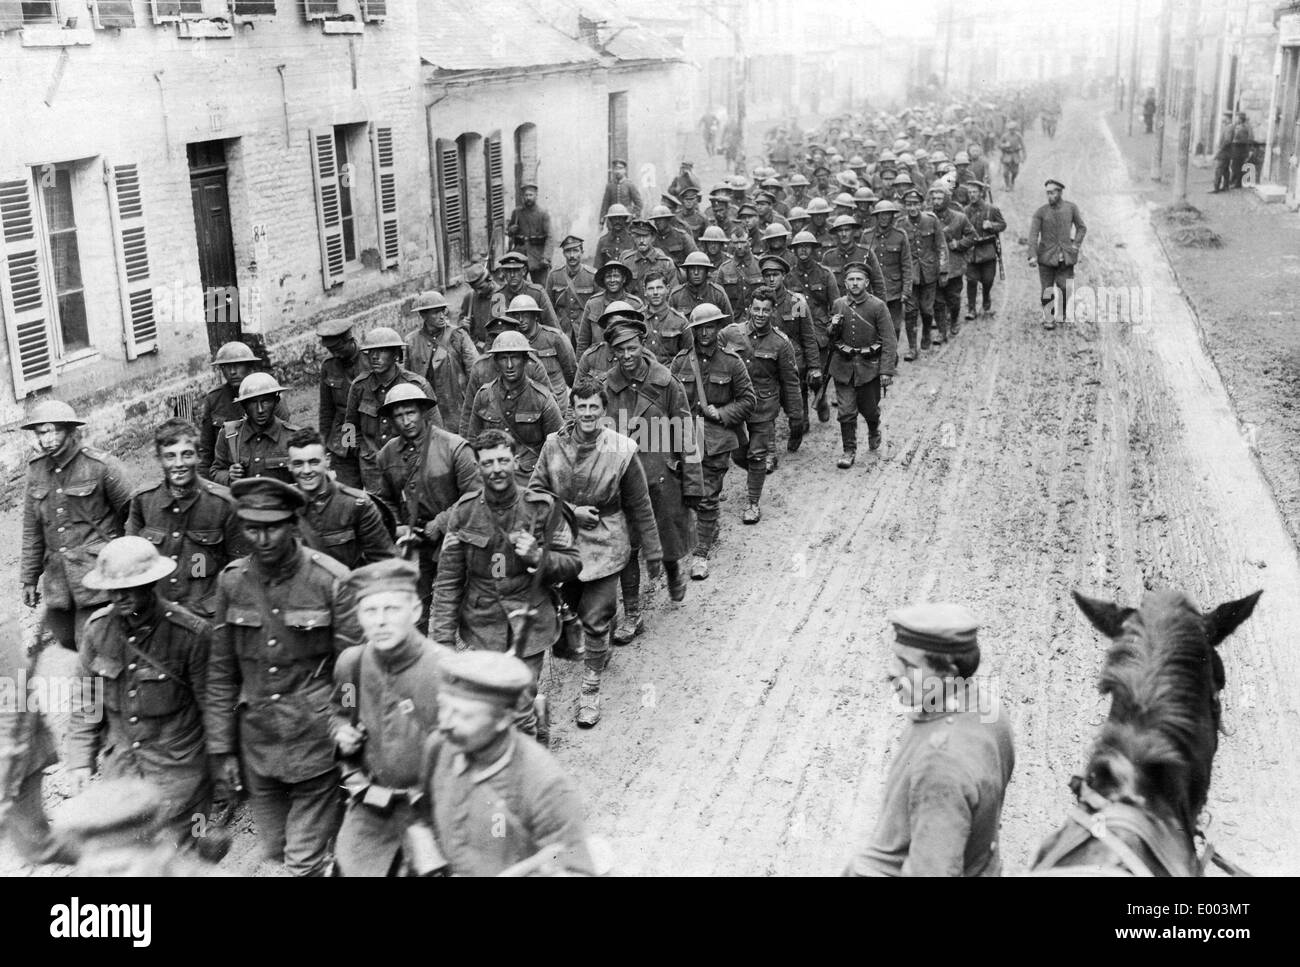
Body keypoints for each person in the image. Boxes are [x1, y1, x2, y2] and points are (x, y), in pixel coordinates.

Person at [206, 477, 362, 876]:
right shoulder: (232, 582)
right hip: (258, 742)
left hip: (315, 740)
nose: (262, 538)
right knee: (275, 847)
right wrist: (222, 749)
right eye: (252, 528)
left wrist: (344, 726)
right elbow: (222, 671)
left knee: (300, 861)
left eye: (272, 526)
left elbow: (352, 670)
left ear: (293, 523)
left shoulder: (331, 580)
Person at [843, 603, 1015, 877]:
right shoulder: (988, 709)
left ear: (948, 673)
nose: (891, 671)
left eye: (909, 666)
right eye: (895, 657)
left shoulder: (941, 762)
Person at [530, 378, 663, 727]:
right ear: (571, 409)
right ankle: (600, 635)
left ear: (604, 411)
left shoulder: (621, 449)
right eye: (581, 407)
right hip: (565, 542)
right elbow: (535, 492)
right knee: (570, 609)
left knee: (596, 615)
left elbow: (640, 504)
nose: (587, 414)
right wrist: (570, 510)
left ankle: (590, 690)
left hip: (607, 539)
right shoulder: (552, 446)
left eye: (594, 407)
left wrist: (653, 550)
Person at [432, 429, 582, 737]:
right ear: (477, 466)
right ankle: (534, 715)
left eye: (503, 460)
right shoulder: (463, 513)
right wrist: (443, 643)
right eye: (488, 463)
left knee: (518, 708)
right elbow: (447, 582)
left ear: (515, 461)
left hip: (529, 621)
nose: (496, 468)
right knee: (492, 706)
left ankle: (527, 765)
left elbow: (572, 563)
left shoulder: (541, 507)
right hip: (482, 625)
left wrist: (538, 556)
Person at [69, 537, 213, 847]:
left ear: (151, 584)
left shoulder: (190, 634)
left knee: (190, 854)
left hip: (179, 772)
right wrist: (81, 759)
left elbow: (213, 708)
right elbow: (88, 701)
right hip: (123, 772)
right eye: (112, 588)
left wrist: (221, 766)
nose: (119, 596)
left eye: (129, 587)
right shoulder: (97, 630)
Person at [414, 650, 597, 876]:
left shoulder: (546, 784)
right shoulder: (440, 746)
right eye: (444, 709)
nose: (445, 724)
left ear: (503, 719)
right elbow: (421, 818)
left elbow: (577, 868)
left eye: (464, 715)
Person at [330, 558, 451, 876]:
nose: (380, 621)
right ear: (358, 616)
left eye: (391, 609)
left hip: (433, 812)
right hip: (373, 807)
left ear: (415, 611)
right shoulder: (352, 664)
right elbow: (342, 712)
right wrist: (342, 733)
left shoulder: (447, 670)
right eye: (370, 611)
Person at [602, 316, 702, 644]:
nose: (627, 354)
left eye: (632, 347)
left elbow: (686, 433)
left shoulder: (666, 382)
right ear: (612, 351)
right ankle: (632, 614)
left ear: (643, 344)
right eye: (620, 349)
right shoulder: (608, 386)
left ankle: (674, 571)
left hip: (663, 476)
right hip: (624, 480)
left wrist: (693, 485)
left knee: (668, 539)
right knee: (627, 547)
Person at [21, 400, 131, 651]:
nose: (47, 439)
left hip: (95, 577)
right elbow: (32, 529)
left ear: (71, 431)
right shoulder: (36, 471)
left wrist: (125, 566)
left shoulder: (100, 466)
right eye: (41, 433)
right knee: (66, 643)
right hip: (59, 584)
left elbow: (133, 513)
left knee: (92, 648)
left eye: (54, 430)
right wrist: (29, 578)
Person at [375, 384, 479, 632]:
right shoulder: (386, 455)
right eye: (398, 416)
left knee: (468, 607)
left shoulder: (454, 447)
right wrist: (397, 527)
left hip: (456, 538)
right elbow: (385, 498)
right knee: (415, 608)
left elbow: (476, 496)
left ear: (423, 412)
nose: (406, 421)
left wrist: (442, 522)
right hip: (415, 544)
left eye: (410, 413)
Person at [669, 304, 756, 580]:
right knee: (688, 494)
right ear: (692, 331)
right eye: (699, 328)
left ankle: (701, 553)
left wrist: (722, 413)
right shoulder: (681, 362)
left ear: (718, 328)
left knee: (707, 496)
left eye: (710, 327)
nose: (705, 333)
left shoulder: (732, 362)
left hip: (717, 439)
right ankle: (710, 526)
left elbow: (748, 401)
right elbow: (670, 401)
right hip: (686, 438)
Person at [126, 418, 243, 618]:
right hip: (158, 617)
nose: (179, 464)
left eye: (187, 454)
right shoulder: (143, 501)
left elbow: (240, 570)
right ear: (159, 459)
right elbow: (131, 563)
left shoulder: (224, 504)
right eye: (170, 456)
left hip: (208, 618)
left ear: (198, 456)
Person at [0, 611, 77, 867]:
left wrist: (5, 786)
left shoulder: (2, 630)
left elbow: (15, 706)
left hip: (16, 757)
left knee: (37, 845)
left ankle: (117, 858)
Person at [722, 287, 801, 524]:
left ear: (773, 312)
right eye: (756, 309)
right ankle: (755, 475)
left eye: (765, 310)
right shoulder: (730, 333)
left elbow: (790, 380)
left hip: (763, 407)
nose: (760, 314)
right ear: (749, 309)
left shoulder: (780, 343)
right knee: (738, 455)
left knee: (757, 455)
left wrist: (796, 415)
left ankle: (753, 503)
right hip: (735, 405)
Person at [343, 326, 437, 492]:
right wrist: (357, 453)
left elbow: (435, 429)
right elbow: (349, 426)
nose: (374, 357)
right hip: (372, 469)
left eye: (382, 351)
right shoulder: (359, 386)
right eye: (370, 352)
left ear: (396, 355)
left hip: (409, 465)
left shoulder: (416, 385)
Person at [288, 427, 395, 569]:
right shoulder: (281, 505)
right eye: (298, 463)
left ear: (327, 461)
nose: (306, 471)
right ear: (289, 465)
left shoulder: (356, 505)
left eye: (314, 462)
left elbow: (385, 562)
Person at [465, 331, 564, 483]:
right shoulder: (484, 395)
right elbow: (473, 441)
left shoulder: (542, 399)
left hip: (531, 481)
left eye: (515, 357)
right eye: (504, 358)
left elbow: (558, 448)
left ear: (525, 360)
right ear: (496, 362)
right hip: (493, 478)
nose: (510, 365)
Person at [828, 262, 897, 468]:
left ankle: (873, 427)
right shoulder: (838, 304)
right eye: (851, 279)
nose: (855, 283)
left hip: (869, 368)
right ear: (845, 282)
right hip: (843, 366)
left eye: (859, 279)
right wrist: (832, 327)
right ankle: (849, 450)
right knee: (846, 411)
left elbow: (889, 339)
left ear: (867, 282)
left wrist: (886, 370)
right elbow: (831, 336)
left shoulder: (877, 306)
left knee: (869, 409)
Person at [196, 341, 288, 480]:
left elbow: (282, 438)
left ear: (249, 366)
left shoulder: (269, 394)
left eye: (238, 365)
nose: (232, 372)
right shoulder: (214, 399)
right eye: (226, 367)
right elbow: (206, 452)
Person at [757, 254, 820, 448]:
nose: (771, 279)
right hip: (767, 364)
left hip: (794, 365)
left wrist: (814, 367)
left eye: (775, 274)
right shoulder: (758, 302)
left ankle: (797, 428)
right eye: (767, 275)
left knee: (796, 414)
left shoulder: (797, 303)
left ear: (783, 276)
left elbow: (808, 337)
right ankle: (770, 450)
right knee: (767, 409)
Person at [786, 230, 843, 423]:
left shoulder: (825, 274)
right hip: (796, 333)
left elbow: (836, 305)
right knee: (798, 376)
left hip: (820, 333)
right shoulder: (789, 277)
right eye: (798, 247)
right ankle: (803, 417)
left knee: (817, 376)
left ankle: (821, 398)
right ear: (794, 251)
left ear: (813, 249)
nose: (802, 250)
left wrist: (834, 326)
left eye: (806, 246)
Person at [403, 289, 480, 431]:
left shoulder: (458, 336)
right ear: (423, 315)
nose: (441, 316)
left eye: (442, 310)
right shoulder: (411, 342)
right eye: (435, 312)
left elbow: (475, 371)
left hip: (456, 407)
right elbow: (406, 378)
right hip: (425, 409)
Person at [209, 372, 302, 487]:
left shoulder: (293, 436)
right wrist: (229, 476)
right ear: (243, 405)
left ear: (276, 401)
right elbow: (216, 471)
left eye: (266, 401)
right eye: (253, 402)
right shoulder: (229, 435)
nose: (260, 409)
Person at [316, 319, 369, 488]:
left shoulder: (369, 361)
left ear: (350, 340)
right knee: (347, 492)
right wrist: (322, 445)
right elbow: (326, 410)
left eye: (338, 349)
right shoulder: (329, 366)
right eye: (331, 350)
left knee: (377, 494)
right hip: (343, 439)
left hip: (370, 436)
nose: (336, 354)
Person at [1027, 179, 1087, 329]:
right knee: (1047, 290)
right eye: (1047, 193)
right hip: (1046, 258)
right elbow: (1033, 235)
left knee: (1066, 288)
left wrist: (1075, 245)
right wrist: (1032, 255)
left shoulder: (1071, 208)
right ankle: (1049, 317)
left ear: (1060, 193)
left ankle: (1063, 312)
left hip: (1066, 258)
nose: (1049, 196)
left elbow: (1081, 228)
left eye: (1052, 192)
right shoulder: (1041, 212)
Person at [900, 187, 948, 359]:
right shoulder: (900, 224)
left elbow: (941, 246)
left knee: (927, 310)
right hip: (910, 275)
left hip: (930, 273)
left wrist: (943, 271)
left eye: (915, 204)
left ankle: (927, 333)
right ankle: (912, 348)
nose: (912, 208)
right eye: (908, 204)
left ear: (921, 204)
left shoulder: (931, 221)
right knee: (910, 312)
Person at [507, 294, 576, 404]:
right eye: (516, 315)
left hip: (556, 401)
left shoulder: (555, 338)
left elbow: (571, 372)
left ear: (535, 315)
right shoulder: (512, 341)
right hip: (527, 403)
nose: (520, 319)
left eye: (525, 315)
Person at [863, 200, 913, 350]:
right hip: (873, 291)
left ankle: (892, 355)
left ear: (893, 216)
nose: (884, 218)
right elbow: (861, 265)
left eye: (888, 214)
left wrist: (906, 290)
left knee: (895, 327)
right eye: (881, 215)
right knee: (873, 327)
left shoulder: (900, 236)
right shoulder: (867, 236)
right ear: (876, 217)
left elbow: (906, 264)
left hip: (894, 291)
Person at [929, 184, 976, 341]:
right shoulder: (927, 218)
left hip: (954, 265)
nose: (936, 202)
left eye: (940, 198)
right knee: (937, 301)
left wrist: (959, 244)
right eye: (934, 198)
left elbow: (972, 236)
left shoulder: (959, 218)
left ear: (947, 200)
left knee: (953, 299)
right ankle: (942, 331)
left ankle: (954, 320)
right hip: (934, 265)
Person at [575, 259, 645, 358]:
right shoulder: (593, 303)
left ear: (624, 279)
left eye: (616, 276)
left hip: (627, 358)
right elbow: (583, 340)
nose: (612, 280)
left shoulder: (635, 304)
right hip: (598, 360)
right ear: (603, 280)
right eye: (608, 276)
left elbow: (643, 338)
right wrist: (580, 362)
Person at [962, 182, 1005, 321]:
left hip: (988, 252)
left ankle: (986, 296)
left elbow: (1003, 224)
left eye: (974, 192)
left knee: (988, 280)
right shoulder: (965, 211)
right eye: (969, 192)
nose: (972, 195)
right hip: (972, 252)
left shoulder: (991, 209)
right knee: (971, 280)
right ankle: (971, 309)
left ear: (981, 193)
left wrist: (991, 225)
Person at [548, 235, 598, 344]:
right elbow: (549, 308)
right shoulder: (554, 275)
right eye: (568, 251)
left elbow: (598, 308)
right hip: (562, 333)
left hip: (585, 333)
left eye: (575, 251)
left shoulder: (592, 276)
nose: (572, 256)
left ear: (582, 252)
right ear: (563, 253)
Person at [506, 183, 552, 286]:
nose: (528, 198)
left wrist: (546, 257)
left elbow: (550, 236)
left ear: (536, 196)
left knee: (542, 286)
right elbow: (509, 232)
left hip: (538, 256)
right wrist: (511, 230)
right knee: (517, 284)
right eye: (526, 195)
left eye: (530, 195)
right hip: (520, 254)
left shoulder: (542, 214)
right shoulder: (517, 213)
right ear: (523, 197)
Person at [670, 250, 734, 321]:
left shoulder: (717, 294)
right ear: (687, 271)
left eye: (700, 269)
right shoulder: (676, 296)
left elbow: (728, 324)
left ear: (706, 271)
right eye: (692, 269)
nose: (696, 272)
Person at [621, 219, 678, 297]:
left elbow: (673, 293)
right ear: (633, 238)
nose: (641, 240)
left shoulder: (666, 263)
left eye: (645, 236)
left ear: (653, 237)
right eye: (638, 236)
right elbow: (622, 292)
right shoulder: (627, 262)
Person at [459, 263, 507, 350]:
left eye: (481, 287)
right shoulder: (470, 297)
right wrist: (462, 324)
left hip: (498, 348)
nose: (478, 292)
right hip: (475, 348)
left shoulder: (501, 297)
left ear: (490, 280)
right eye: (474, 289)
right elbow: (461, 320)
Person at [595, 204, 635, 270]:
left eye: (620, 218)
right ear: (610, 220)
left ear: (625, 219)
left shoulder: (632, 239)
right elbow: (597, 266)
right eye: (614, 218)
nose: (617, 221)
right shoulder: (603, 241)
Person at [1210, 113, 1234, 193]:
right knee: (1225, 171)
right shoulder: (1227, 127)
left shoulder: (1229, 128)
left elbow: (1227, 141)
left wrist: (1219, 150)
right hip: (1226, 153)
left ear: (1228, 119)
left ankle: (1216, 188)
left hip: (1224, 153)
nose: (1223, 119)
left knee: (1218, 170)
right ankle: (1225, 186)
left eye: (1225, 118)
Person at [1230, 112, 1254, 188]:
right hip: (1237, 148)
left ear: (1241, 119)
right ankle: (1234, 181)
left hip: (1241, 149)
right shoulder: (1239, 126)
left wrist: (1250, 150)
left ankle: (1237, 183)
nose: (1236, 119)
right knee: (1235, 166)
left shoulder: (1246, 127)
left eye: (1237, 118)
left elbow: (1250, 138)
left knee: (1237, 166)